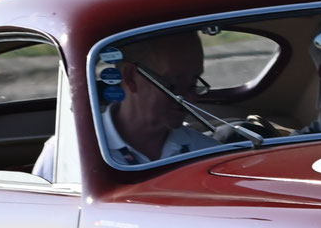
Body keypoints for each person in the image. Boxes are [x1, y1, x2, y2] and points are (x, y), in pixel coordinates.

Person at [34, 32, 213, 178]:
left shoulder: (207, 152)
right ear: (130, 78)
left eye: (194, 81)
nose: (190, 98)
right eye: (175, 83)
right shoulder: (68, 152)